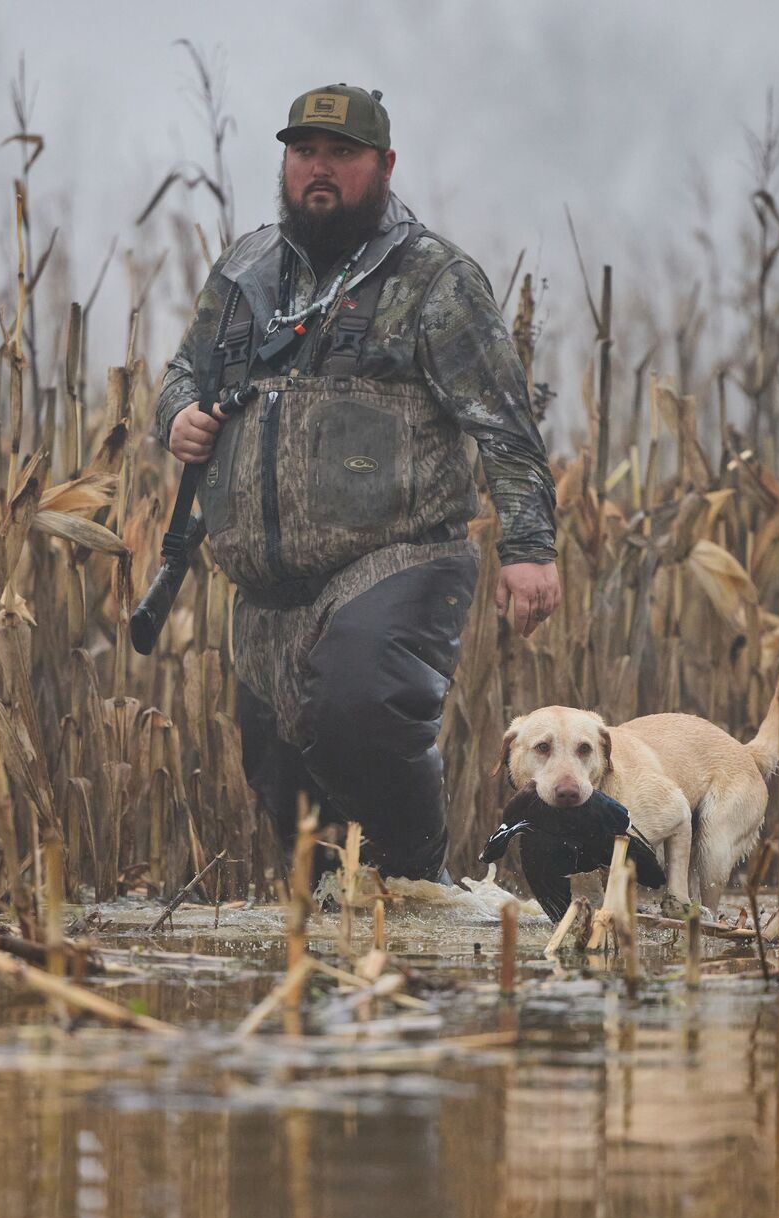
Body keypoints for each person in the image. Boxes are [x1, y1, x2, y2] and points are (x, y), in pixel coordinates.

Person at [155, 83, 560, 883]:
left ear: (383, 166)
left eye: (343, 155)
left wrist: (529, 547)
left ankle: (418, 889)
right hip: (267, 585)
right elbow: (181, 372)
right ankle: (336, 951)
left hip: (397, 558)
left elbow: (503, 422)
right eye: (306, 151)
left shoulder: (434, 278)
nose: (320, 169)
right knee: (283, 781)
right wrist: (177, 414)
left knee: (360, 709)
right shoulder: (244, 271)